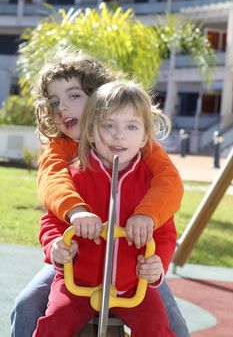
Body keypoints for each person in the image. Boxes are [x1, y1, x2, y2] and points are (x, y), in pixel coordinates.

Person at [10, 49, 189, 336]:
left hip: (132, 267)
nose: (63, 108)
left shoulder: (138, 146)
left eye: (73, 96)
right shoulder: (62, 149)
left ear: (97, 96)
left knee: (172, 324)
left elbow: (169, 183)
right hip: (82, 264)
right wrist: (75, 213)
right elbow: (53, 182)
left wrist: (146, 217)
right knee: (27, 304)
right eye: (54, 102)